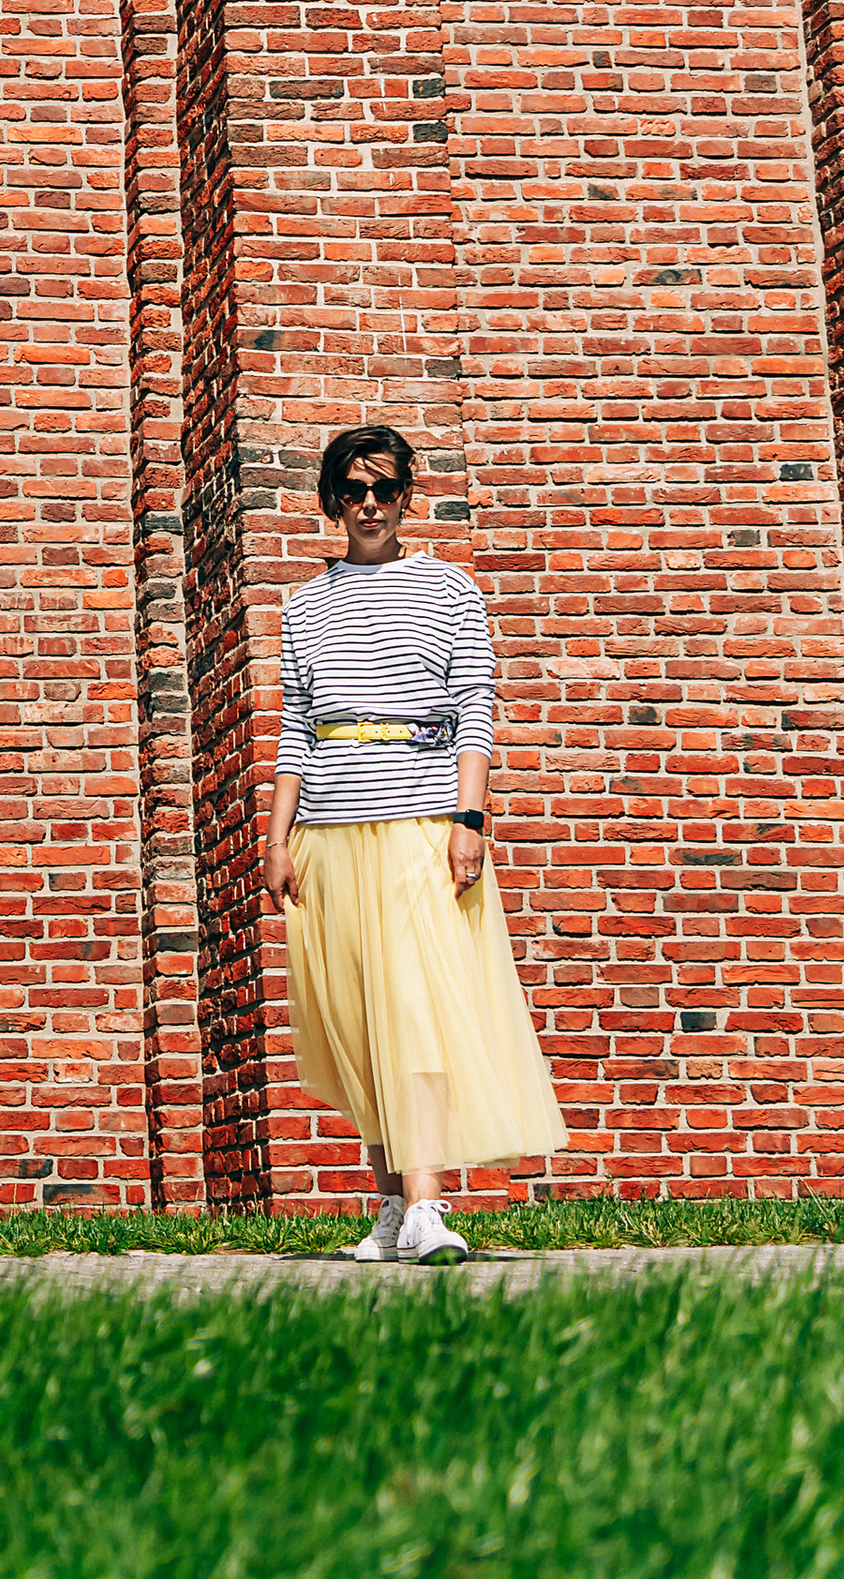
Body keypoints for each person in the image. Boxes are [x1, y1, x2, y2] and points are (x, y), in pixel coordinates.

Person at [263, 423, 568, 1263]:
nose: (368, 506)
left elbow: (476, 705)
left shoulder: (449, 590)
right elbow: (297, 725)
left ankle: (430, 1205)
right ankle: (392, 1205)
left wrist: (470, 821)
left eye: (384, 490)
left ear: (406, 499)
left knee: (417, 1013)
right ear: (333, 501)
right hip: (330, 829)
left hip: (420, 823)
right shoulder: (304, 604)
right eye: (353, 491)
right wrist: (279, 837)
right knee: (363, 1022)